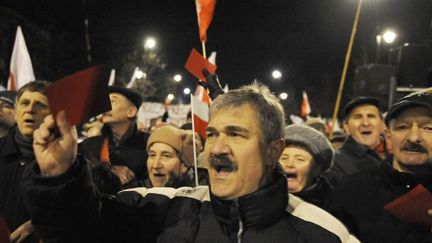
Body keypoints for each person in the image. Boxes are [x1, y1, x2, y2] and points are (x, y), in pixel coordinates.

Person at [22, 82, 344, 243]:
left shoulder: (324, 234)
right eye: (214, 133)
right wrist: (58, 175)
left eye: (235, 134)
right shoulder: (162, 207)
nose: (217, 148)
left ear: (274, 150)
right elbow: (84, 228)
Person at [324, 88, 432, 242]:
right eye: (403, 127)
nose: (413, 137)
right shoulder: (352, 192)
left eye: (428, 128)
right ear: (388, 137)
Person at [0, 81, 51, 243]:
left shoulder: (69, 162)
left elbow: (79, 209)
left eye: (40, 105)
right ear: (16, 113)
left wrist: (40, 225)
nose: (30, 109)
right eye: (24, 103)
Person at [79, 85, 149, 192]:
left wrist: (134, 182)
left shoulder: (148, 144)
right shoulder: (88, 145)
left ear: (131, 112)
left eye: (113, 102)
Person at [327, 97, 387, 185]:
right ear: (346, 127)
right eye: (358, 117)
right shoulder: (335, 163)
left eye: (371, 116)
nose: (365, 123)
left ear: (382, 124)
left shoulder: (398, 155)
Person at [279, 124, 334, 206]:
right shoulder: (261, 199)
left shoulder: (332, 205)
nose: (290, 164)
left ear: (317, 169)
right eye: (284, 158)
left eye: (299, 159)